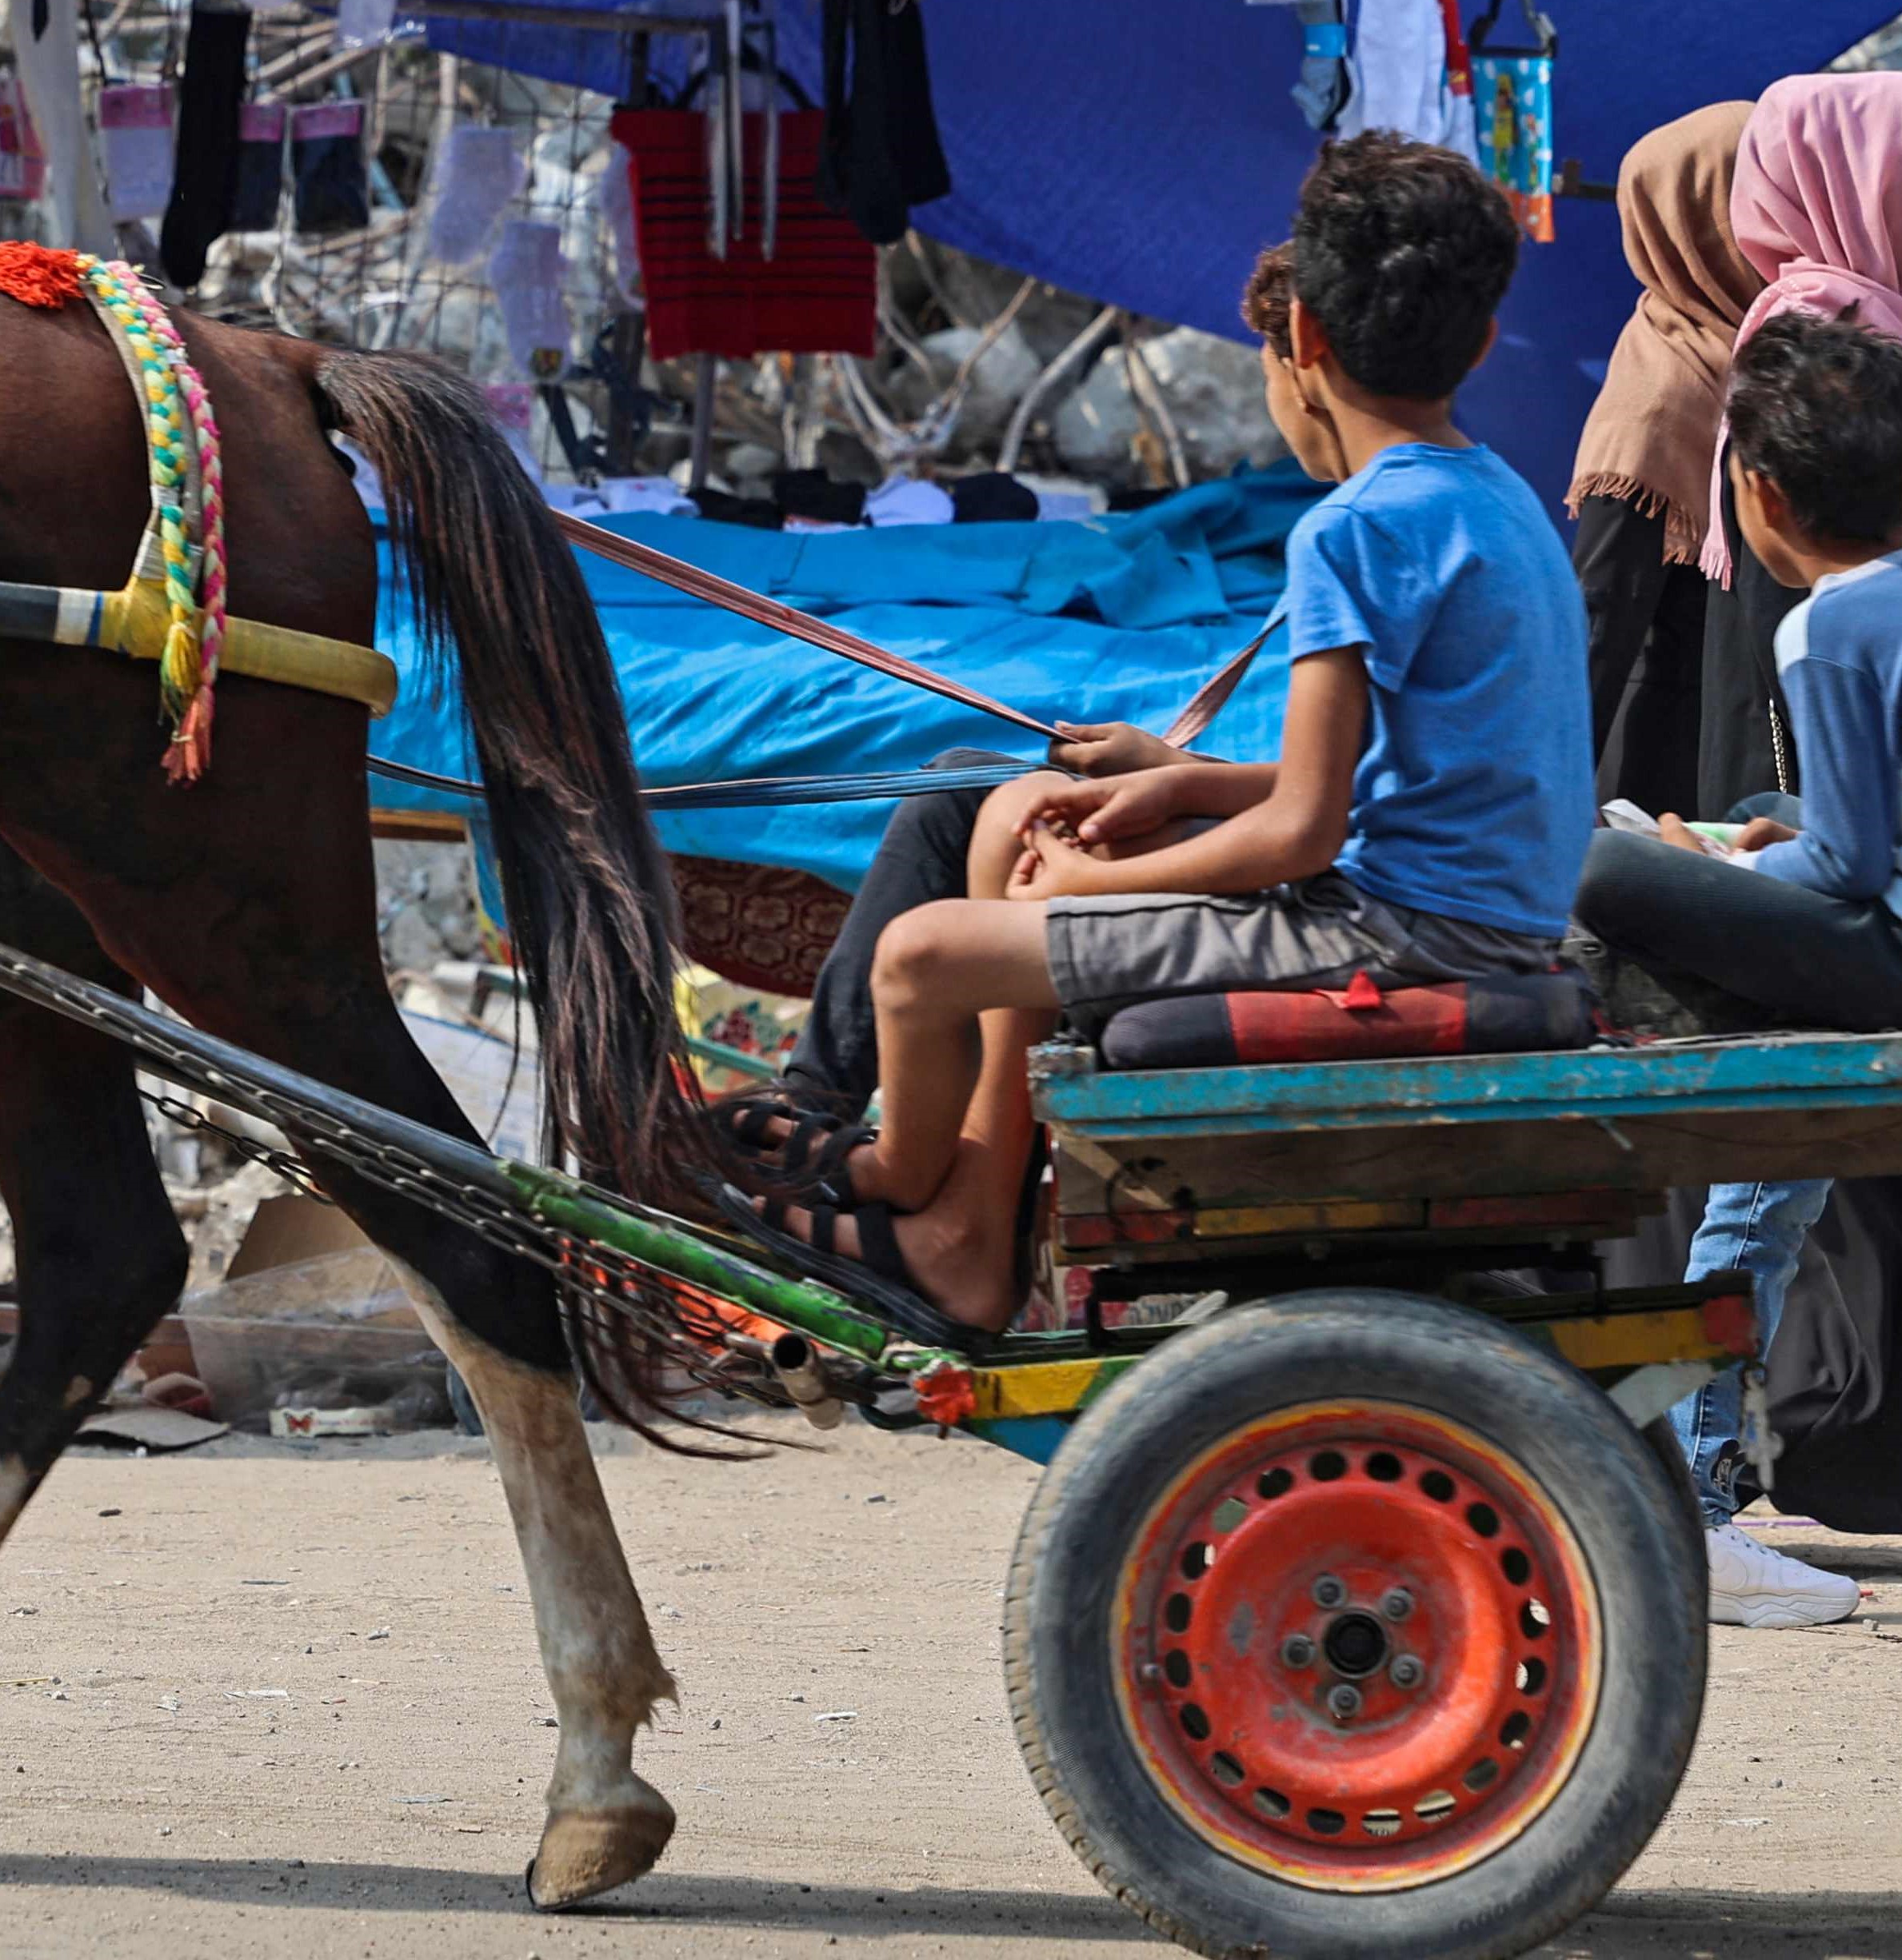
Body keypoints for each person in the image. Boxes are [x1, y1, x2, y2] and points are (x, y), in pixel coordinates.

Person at [762, 137, 1592, 1334]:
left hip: (1397, 937)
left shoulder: (1351, 532)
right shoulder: (1501, 496)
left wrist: (1116, 876)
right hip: (1463, 914)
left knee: (922, 959)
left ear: (1300, 339)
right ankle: (969, 1238)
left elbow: (1306, 834)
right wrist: (1182, 784)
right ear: (1475, 342)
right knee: (1006, 820)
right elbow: (1409, 777)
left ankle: (892, 1184)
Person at [1575, 308, 1902, 1627]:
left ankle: (1691, 1496)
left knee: (1599, 860)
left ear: (1754, 495)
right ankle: (1689, 1489)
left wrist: (1711, 870)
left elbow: (1838, 876)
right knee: (1754, 1200)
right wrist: (1773, 840)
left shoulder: (1819, 629)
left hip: (1871, 952)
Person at [1564, 102, 1775, 821]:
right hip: (1668, 780)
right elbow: (1598, 623)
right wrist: (1543, 810)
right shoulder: (1660, 396)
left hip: (1751, 740)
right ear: (1694, 224)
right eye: (1756, 205)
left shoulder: (1774, 357)